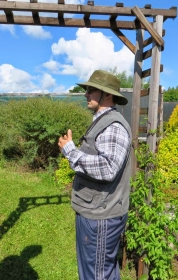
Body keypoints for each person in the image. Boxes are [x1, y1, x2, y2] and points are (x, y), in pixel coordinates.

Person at [58, 69, 132, 280]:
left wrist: (71, 152)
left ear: (107, 95)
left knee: (97, 275)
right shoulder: (103, 121)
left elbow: (108, 167)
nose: (86, 94)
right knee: (98, 272)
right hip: (95, 211)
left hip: (101, 216)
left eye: (91, 90)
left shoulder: (114, 126)